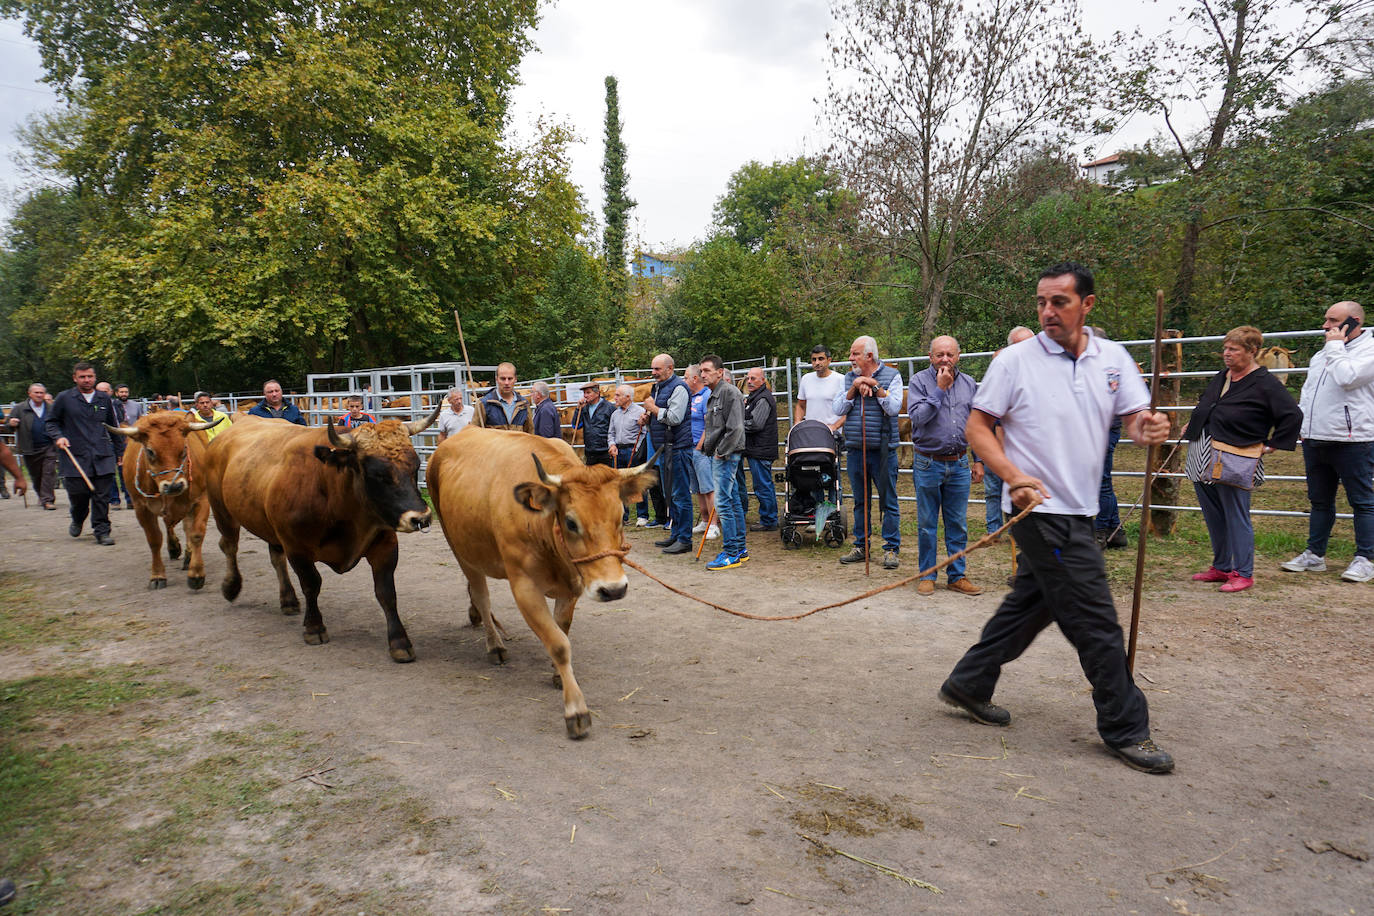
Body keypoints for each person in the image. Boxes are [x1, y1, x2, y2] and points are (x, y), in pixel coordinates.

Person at [940, 261, 1175, 775]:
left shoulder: (1113, 358)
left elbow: (1134, 418)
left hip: (1082, 506)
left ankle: (969, 681)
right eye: (1042, 302)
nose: (1048, 311)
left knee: (1033, 604)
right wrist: (1012, 475)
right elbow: (979, 428)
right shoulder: (1015, 361)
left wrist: (1148, 427)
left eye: (1060, 302)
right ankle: (1125, 727)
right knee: (1095, 622)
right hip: (1038, 509)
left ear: (1087, 304)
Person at [1182, 326, 1302, 592]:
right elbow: (1207, 402)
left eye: (1234, 349)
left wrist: (1271, 446)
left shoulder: (1265, 382)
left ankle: (1243, 572)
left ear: (1252, 351)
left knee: (1236, 513)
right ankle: (1222, 566)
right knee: (1213, 513)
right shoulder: (1223, 375)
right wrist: (1193, 424)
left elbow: (1292, 414)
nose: (1227, 354)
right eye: (1225, 348)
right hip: (1203, 451)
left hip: (1236, 454)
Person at [1282, 300, 1374, 583]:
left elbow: (1348, 378)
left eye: (1333, 321)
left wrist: (1335, 347)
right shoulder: (1323, 353)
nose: (1325, 326)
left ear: (1354, 321)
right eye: (1326, 320)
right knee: (1319, 501)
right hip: (1315, 437)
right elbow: (1309, 391)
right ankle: (1315, 554)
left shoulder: (1368, 351)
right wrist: (1302, 424)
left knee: (1362, 502)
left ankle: (1365, 558)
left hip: (1353, 439)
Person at [907, 335, 983, 595]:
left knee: (957, 524)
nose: (945, 359)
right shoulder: (919, 381)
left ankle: (956, 576)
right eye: (939, 354)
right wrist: (939, 389)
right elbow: (917, 418)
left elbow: (976, 426)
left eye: (949, 354)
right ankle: (927, 575)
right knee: (927, 523)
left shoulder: (969, 384)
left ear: (958, 356)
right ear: (931, 357)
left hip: (960, 463)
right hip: (928, 462)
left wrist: (979, 460)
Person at [832, 335, 904, 569]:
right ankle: (861, 545)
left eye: (854, 354)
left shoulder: (892, 376)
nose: (850, 358)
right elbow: (838, 408)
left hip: (883, 451)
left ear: (869, 356)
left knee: (889, 501)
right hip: (856, 449)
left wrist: (876, 387)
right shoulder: (848, 378)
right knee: (860, 502)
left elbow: (893, 408)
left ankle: (891, 549)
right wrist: (854, 389)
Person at [46, 361, 120, 546]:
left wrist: (120, 451)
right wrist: (58, 437)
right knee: (79, 495)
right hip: (75, 457)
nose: (87, 380)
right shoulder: (64, 398)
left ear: (95, 377)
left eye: (90, 376)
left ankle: (102, 531)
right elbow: (51, 422)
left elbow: (113, 426)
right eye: (82, 377)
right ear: (75, 378)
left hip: (102, 455)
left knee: (101, 495)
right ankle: (78, 518)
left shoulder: (103, 399)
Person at [983, 326, 1036, 535]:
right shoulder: (996, 380)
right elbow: (984, 421)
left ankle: (1021, 528)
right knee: (994, 489)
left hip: (1029, 449)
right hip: (997, 445)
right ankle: (996, 528)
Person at [699, 354, 748, 570]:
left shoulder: (729, 393)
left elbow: (736, 428)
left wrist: (721, 452)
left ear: (720, 372)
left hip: (727, 455)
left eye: (707, 371)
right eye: (701, 371)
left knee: (723, 503)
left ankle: (731, 553)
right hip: (722, 454)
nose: (703, 375)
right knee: (733, 500)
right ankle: (740, 548)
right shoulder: (713, 394)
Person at [642, 353, 694, 554]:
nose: (653, 373)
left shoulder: (679, 388)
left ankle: (685, 539)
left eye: (657, 369)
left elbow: (674, 418)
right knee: (669, 494)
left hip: (678, 448)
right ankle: (676, 534)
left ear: (670, 369)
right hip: (665, 448)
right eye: (653, 369)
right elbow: (660, 415)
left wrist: (653, 409)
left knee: (680, 495)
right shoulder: (658, 387)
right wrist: (647, 419)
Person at [7, 383, 58, 509]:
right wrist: (11, 424)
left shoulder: (51, 408)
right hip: (29, 448)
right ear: (29, 394)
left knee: (49, 472)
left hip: (48, 446)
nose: (39, 395)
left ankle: (48, 500)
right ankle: (42, 495)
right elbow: (8, 427)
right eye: (36, 392)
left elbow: (58, 424)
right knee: (36, 475)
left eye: (42, 393)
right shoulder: (20, 408)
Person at [742, 367, 780, 532]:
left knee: (763, 485)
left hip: (761, 449)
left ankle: (769, 519)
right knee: (762, 484)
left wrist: (736, 425)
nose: (749, 382)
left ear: (763, 380)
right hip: (757, 448)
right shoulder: (755, 397)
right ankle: (768, 517)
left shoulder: (763, 398)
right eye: (748, 378)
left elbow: (756, 424)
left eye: (754, 379)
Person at [684, 365, 719, 539]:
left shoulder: (706, 396)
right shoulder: (690, 397)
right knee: (697, 488)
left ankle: (714, 524)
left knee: (708, 487)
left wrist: (700, 445)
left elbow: (710, 424)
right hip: (689, 448)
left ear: (694, 379)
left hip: (702, 450)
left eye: (685, 377)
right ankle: (704, 520)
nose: (684, 381)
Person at [609, 384, 651, 525]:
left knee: (636, 482)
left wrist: (637, 449)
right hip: (618, 451)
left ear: (628, 397)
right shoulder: (615, 414)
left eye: (618, 395)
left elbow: (644, 432)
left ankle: (642, 515)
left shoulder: (639, 412)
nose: (615, 398)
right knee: (620, 483)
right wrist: (612, 445)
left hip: (633, 450)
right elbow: (611, 433)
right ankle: (623, 515)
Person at [794, 344, 845, 431]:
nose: (817, 362)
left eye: (821, 359)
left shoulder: (841, 380)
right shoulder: (806, 379)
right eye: (814, 359)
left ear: (829, 360)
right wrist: (797, 423)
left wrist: (835, 426)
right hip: (809, 432)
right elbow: (801, 405)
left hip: (831, 434)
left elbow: (849, 410)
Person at [477, 363, 532, 430]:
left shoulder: (524, 404)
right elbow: (475, 434)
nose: (506, 383)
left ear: (515, 379)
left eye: (510, 379)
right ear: (497, 379)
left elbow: (530, 432)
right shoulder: (484, 403)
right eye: (503, 379)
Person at [574, 380, 613, 466]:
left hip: (605, 451)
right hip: (590, 451)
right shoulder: (583, 408)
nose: (585, 395)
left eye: (588, 392)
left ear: (597, 393)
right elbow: (575, 426)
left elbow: (615, 428)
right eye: (584, 393)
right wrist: (578, 409)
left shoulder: (609, 407)